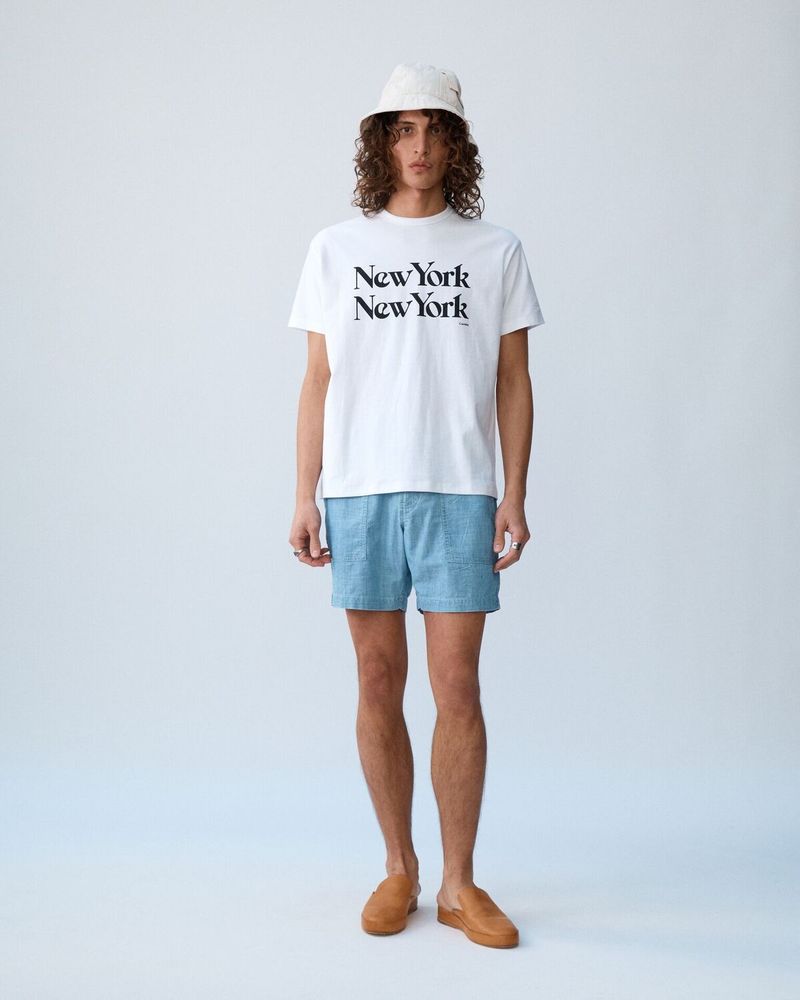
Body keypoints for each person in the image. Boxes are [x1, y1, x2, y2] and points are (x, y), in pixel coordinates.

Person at [287, 61, 545, 949]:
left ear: (456, 143)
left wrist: (514, 491)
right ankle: (399, 866)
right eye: (402, 129)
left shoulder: (495, 251)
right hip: (359, 489)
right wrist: (304, 493)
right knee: (375, 678)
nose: (420, 145)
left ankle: (460, 883)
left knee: (457, 685)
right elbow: (317, 379)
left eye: (434, 128)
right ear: (381, 143)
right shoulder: (336, 249)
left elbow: (514, 380)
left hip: (460, 488)